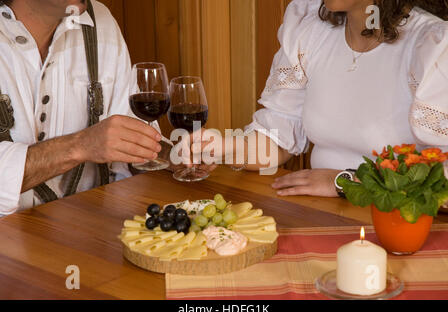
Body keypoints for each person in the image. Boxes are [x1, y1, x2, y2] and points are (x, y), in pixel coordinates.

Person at [196, 0, 448, 198]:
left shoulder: (431, 46)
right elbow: (279, 137)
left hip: (398, 228)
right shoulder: (311, 30)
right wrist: (223, 148)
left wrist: (345, 181)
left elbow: (442, 177)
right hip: (318, 212)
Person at [0, 0, 165, 215]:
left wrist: (174, 158)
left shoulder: (100, 21)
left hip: (95, 229)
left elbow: (132, 143)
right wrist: (79, 145)